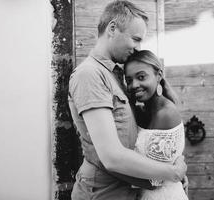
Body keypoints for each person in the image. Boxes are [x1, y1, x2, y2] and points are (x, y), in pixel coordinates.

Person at [68, 1, 187, 200]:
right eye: (135, 39)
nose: (137, 48)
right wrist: (171, 174)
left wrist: (172, 166)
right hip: (104, 194)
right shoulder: (90, 75)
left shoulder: (115, 74)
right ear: (112, 28)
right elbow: (112, 157)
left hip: (128, 191)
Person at [124, 50, 189, 200]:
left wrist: (107, 166)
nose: (134, 85)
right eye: (129, 80)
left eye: (141, 77)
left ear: (158, 75)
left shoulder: (165, 114)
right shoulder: (144, 111)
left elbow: (154, 180)